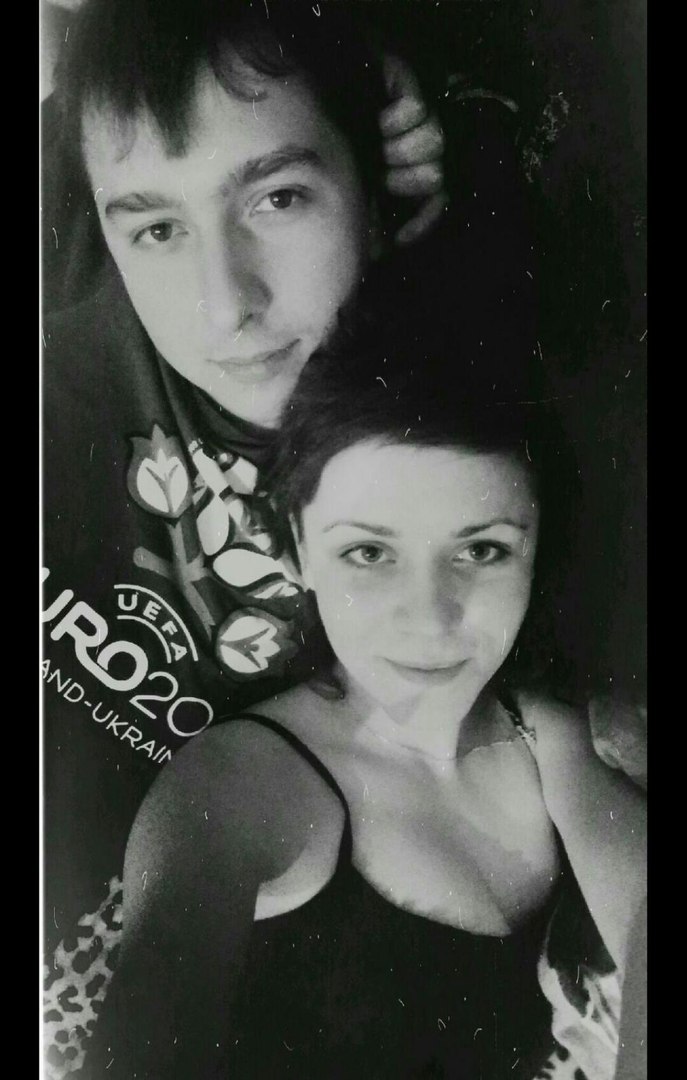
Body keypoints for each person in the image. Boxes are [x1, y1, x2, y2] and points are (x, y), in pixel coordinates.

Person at [78, 338, 646, 1079]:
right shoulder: (238, 786)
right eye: (370, 554)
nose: (430, 618)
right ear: (299, 550)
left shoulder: (549, 736)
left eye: (481, 551)